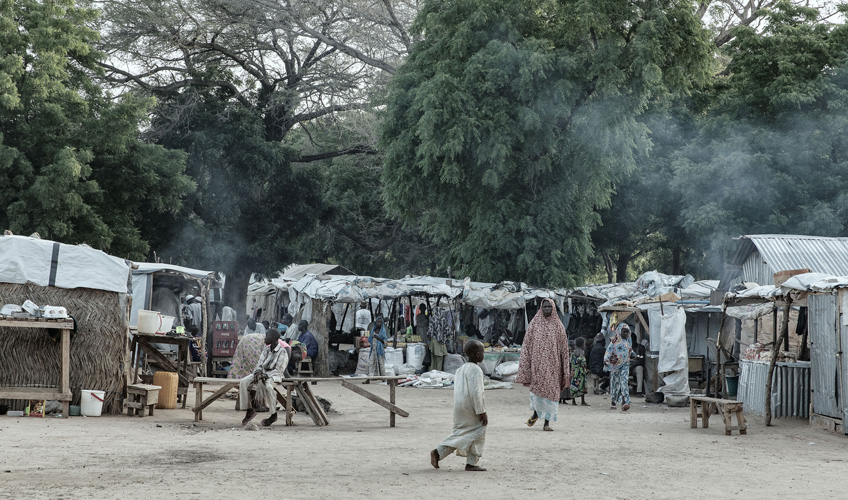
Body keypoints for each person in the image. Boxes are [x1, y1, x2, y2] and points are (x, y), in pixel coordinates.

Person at [430, 339, 488, 472]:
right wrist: (481, 411)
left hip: (459, 406)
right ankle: (471, 462)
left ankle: (440, 453)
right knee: (478, 430)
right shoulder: (476, 370)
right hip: (471, 407)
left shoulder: (460, 369)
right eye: (482, 352)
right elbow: (476, 392)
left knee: (461, 432)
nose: (483, 354)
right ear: (477, 355)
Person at [515, 298, 570, 431]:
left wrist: (565, 368)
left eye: (548, 307)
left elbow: (564, 348)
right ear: (541, 308)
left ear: (553, 308)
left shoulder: (558, 326)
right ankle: (535, 413)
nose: (546, 309)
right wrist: (526, 363)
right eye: (544, 307)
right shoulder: (534, 324)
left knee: (552, 393)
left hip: (553, 367)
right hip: (537, 366)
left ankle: (546, 423)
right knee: (537, 393)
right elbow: (527, 344)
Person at [240, 329, 289, 426]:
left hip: (274, 375)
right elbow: (259, 364)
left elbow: (279, 370)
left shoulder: (282, 352)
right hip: (262, 373)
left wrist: (264, 376)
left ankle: (273, 414)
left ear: (273, 338)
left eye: (267, 336)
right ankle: (249, 410)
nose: (265, 338)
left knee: (269, 386)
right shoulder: (266, 350)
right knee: (243, 382)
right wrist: (258, 373)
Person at [605, 324, 633, 411]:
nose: (626, 333)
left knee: (624, 383)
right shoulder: (614, 342)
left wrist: (634, 355)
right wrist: (606, 360)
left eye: (627, 332)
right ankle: (613, 402)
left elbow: (630, 350)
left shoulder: (628, 341)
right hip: (614, 367)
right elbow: (608, 351)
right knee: (615, 384)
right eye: (624, 331)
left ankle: (625, 402)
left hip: (625, 365)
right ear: (619, 331)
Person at [364, 315, 388, 383]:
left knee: (381, 365)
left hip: (380, 351)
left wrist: (378, 338)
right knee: (371, 364)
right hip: (373, 350)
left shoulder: (383, 331)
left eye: (380, 322)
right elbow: (370, 338)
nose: (379, 323)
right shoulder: (373, 330)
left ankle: (383, 378)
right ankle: (368, 379)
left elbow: (385, 342)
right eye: (378, 321)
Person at [569, 337, 589, 406]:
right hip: (581, 372)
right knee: (582, 385)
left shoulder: (573, 352)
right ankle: (582, 401)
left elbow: (571, 361)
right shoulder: (582, 352)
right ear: (582, 345)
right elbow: (583, 362)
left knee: (574, 385)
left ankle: (573, 401)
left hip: (574, 371)